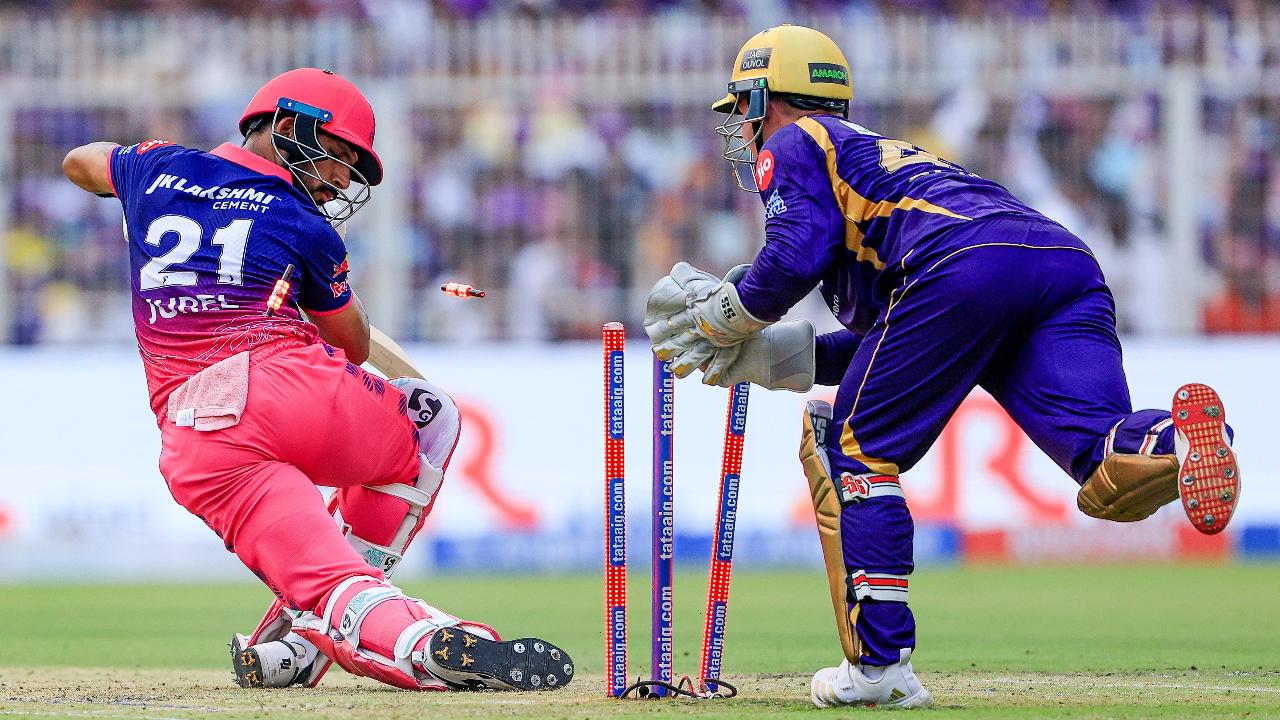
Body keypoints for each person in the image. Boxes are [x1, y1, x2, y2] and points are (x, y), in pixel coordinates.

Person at [644, 25, 1239, 710]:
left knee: (850, 447)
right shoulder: (875, 168)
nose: (741, 133)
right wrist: (762, 359)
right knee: (1105, 469)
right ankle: (1176, 440)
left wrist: (730, 317)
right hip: (1056, 265)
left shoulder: (796, 140)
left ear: (759, 100)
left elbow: (792, 258)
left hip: (960, 268)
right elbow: (890, 343)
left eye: (741, 111)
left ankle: (880, 666)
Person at [62, 68, 574, 692]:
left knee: (329, 584)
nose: (339, 181)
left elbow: (79, 162)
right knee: (429, 416)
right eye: (338, 155)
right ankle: (356, 632)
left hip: (196, 439)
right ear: (283, 126)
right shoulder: (305, 225)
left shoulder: (155, 168)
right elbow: (352, 344)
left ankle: (352, 634)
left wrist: (131, 194)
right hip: (291, 388)